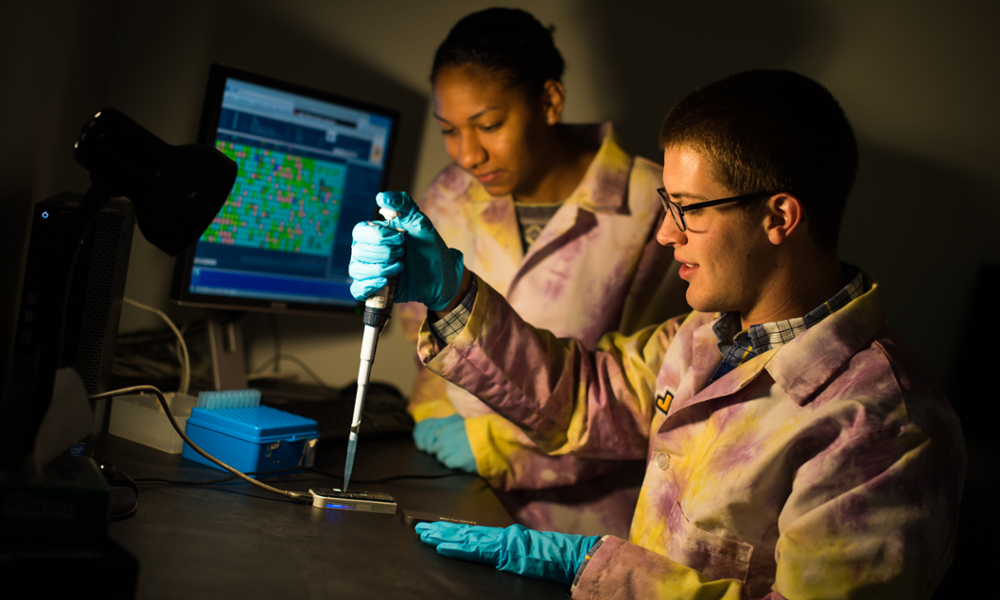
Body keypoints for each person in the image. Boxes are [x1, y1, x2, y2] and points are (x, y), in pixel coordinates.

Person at [350, 69, 966, 598]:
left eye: (689, 209)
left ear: (779, 216)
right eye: (665, 205)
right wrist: (451, 295)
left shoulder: (884, 427)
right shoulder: (703, 337)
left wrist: (597, 567)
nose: (667, 234)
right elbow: (582, 397)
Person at [396, 8, 688, 537]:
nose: (467, 154)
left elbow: (656, 402)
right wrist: (430, 417)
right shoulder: (449, 195)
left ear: (549, 102)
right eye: (449, 130)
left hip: (584, 525)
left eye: (488, 125)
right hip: (456, 497)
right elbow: (423, 335)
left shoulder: (651, 208)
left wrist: (494, 449)